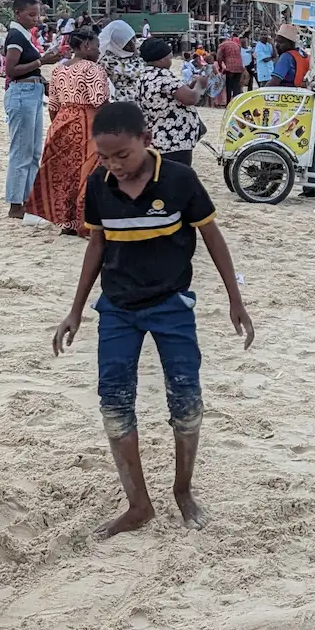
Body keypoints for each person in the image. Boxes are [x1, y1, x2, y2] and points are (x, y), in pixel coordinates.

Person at [54, 101, 253, 535]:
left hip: (171, 306)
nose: (113, 165)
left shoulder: (180, 181)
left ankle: (183, 489)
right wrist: (75, 310)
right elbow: (97, 246)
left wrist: (236, 300)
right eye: (104, 157)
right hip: (118, 309)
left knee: (186, 402)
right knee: (114, 404)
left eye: (121, 155)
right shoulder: (98, 186)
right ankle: (138, 504)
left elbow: (213, 237)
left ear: (146, 140)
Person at [25, 29, 109, 232]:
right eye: (97, 46)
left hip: (62, 121)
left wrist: (58, 125)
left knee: (66, 174)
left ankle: (68, 222)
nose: (99, 51)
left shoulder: (58, 70)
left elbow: (53, 105)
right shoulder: (93, 69)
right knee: (89, 172)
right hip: (88, 122)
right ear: (86, 46)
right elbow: (100, 101)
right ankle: (86, 223)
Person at [3, 0, 59, 219]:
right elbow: (11, 70)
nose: (36, 19)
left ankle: (28, 199)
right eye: (31, 15)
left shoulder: (23, 35)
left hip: (31, 92)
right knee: (21, 151)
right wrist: (42, 62)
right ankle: (16, 204)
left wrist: (42, 81)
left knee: (33, 151)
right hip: (22, 94)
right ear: (18, 14)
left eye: (37, 15)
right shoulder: (16, 35)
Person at [131, 36, 207, 168]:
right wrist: (200, 84)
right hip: (173, 141)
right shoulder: (162, 76)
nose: (171, 61)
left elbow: (172, 96)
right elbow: (190, 99)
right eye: (169, 58)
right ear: (160, 59)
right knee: (177, 179)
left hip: (158, 139)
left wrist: (191, 85)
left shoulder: (144, 75)